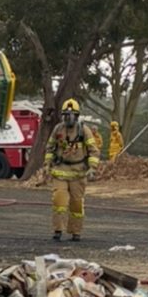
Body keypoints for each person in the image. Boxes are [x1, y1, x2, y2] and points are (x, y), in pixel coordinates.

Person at [46, 99, 100, 241]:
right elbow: (50, 147)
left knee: (76, 204)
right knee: (59, 201)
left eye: (71, 115)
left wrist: (92, 168)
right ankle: (58, 230)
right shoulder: (58, 129)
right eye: (65, 115)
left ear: (76, 116)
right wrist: (47, 164)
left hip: (78, 173)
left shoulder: (84, 130)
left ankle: (75, 232)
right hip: (60, 171)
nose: (68, 118)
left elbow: (94, 151)